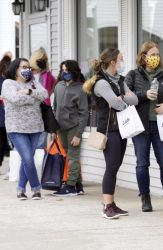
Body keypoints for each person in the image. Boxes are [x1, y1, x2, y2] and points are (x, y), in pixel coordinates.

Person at [83, 48, 138, 219]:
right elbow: (118, 104)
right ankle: (107, 206)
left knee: (115, 166)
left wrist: (120, 97)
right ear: (113, 61)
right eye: (121, 59)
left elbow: (134, 99)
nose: (123, 62)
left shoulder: (120, 80)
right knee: (112, 166)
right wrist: (122, 98)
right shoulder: (101, 82)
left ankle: (111, 203)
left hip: (121, 128)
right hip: (109, 130)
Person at [125, 41, 163, 212]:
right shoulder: (133, 75)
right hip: (141, 126)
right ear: (144, 56)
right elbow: (126, 97)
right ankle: (145, 198)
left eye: (157, 54)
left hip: (161, 126)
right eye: (152, 54)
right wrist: (144, 95)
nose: (155, 57)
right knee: (142, 163)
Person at [1, 58, 48, 200]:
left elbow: (44, 94)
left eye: (28, 67)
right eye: (23, 67)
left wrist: (28, 92)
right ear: (15, 69)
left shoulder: (33, 82)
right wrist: (34, 97)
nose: (26, 69)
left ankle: (20, 189)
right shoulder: (8, 83)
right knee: (27, 158)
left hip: (35, 127)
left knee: (27, 159)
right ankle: (36, 188)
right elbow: (14, 99)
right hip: (16, 127)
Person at [53, 60, 89, 196]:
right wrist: (54, 127)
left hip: (73, 128)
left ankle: (70, 186)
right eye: (63, 70)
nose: (64, 73)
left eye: (67, 71)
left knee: (73, 157)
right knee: (70, 156)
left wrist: (78, 134)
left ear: (73, 72)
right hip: (60, 128)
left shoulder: (81, 89)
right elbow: (55, 107)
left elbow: (84, 113)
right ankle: (78, 185)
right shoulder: (58, 86)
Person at [29, 48, 56, 149]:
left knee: (40, 144)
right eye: (41, 59)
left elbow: (52, 88)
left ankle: (38, 164)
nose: (44, 61)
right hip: (30, 111)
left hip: (44, 111)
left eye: (45, 59)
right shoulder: (27, 74)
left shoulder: (48, 75)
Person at [0, 55, 11, 167]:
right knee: (2, 142)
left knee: (3, 142)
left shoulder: (7, 81)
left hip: (5, 115)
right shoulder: (3, 80)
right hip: (2, 114)